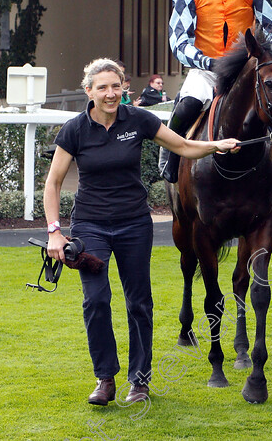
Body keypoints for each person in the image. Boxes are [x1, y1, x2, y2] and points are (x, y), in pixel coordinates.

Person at [42, 58, 239, 407]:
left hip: (134, 224)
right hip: (90, 226)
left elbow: (181, 146)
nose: (110, 93)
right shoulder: (75, 130)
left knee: (139, 303)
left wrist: (216, 145)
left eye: (116, 86)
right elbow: (53, 183)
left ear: (124, 89)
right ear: (89, 91)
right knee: (96, 300)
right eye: (102, 87)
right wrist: (55, 232)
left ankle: (140, 380)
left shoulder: (139, 120)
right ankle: (105, 379)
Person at [162, 0, 272, 184]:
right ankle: (169, 155)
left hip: (246, 70)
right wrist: (207, 62)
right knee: (188, 105)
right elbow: (178, 40)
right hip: (207, 69)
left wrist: (269, 56)